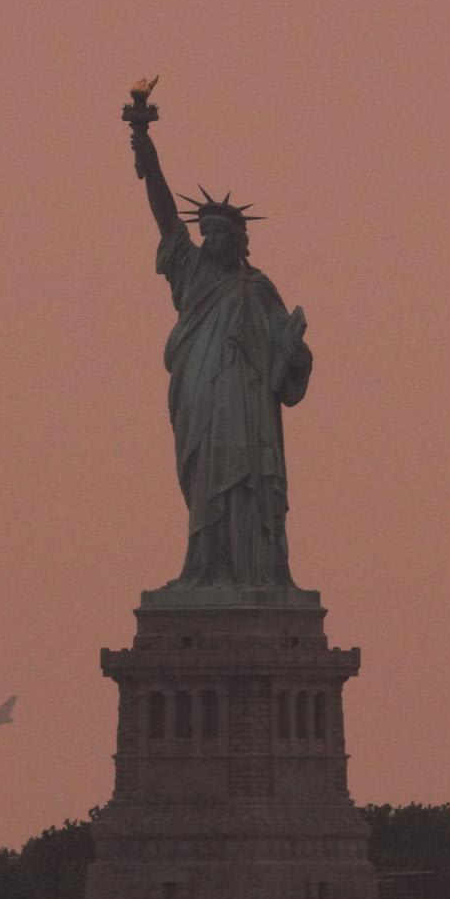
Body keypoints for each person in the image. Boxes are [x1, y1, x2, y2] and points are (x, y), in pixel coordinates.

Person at [127, 95, 312, 589]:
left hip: (248, 406)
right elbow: (165, 214)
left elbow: (287, 356)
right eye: (204, 233)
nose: (210, 241)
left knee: (247, 480)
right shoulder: (189, 273)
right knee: (206, 478)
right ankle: (204, 568)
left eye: (218, 234)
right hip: (200, 393)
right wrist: (145, 149)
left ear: (238, 240)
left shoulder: (257, 289)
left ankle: (258, 573)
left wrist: (295, 350)